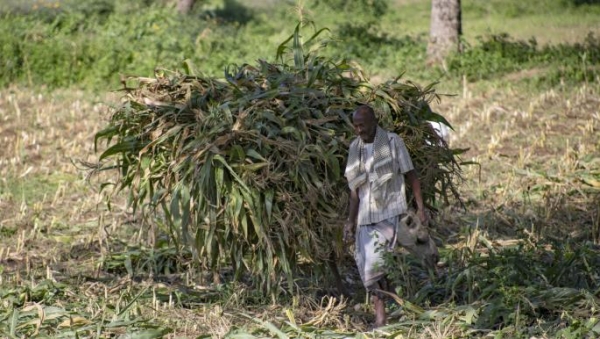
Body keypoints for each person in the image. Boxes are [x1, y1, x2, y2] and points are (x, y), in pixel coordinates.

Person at [343, 104, 436, 328]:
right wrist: (350, 221)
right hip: (366, 218)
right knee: (372, 268)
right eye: (355, 126)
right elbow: (354, 192)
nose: (359, 130)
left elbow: (411, 175)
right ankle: (381, 317)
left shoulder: (393, 143)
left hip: (393, 212)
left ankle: (412, 298)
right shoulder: (355, 149)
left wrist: (421, 208)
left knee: (428, 254)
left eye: (362, 125)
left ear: (374, 122)